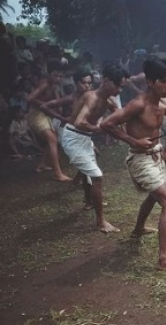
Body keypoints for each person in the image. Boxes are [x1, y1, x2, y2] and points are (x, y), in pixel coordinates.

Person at [100, 56, 166, 274]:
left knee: (154, 198)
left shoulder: (165, 102)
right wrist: (133, 141)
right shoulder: (138, 104)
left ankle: (139, 228)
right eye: (163, 81)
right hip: (139, 159)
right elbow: (107, 124)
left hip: (156, 156)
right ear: (150, 81)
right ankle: (164, 259)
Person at [62, 64, 128, 233]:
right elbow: (79, 122)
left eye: (122, 86)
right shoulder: (91, 97)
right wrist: (98, 129)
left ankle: (89, 201)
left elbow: (122, 117)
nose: (119, 90)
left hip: (84, 138)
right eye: (117, 85)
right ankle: (101, 222)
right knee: (97, 176)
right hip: (73, 137)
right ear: (106, 81)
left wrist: (132, 137)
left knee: (89, 172)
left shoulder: (109, 101)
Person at [26, 60, 72, 181]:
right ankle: (58, 173)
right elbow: (30, 99)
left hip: (46, 114)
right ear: (49, 74)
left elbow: (57, 103)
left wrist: (59, 113)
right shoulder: (45, 84)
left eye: (60, 76)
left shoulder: (54, 86)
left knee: (54, 138)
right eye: (55, 75)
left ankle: (42, 165)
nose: (58, 78)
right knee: (52, 139)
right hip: (35, 114)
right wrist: (44, 104)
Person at [40, 68, 94, 144]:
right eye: (84, 83)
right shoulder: (71, 98)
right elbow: (44, 106)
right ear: (77, 83)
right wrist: (62, 118)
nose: (87, 86)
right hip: (64, 128)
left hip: (77, 129)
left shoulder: (90, 96)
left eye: (89, 83)